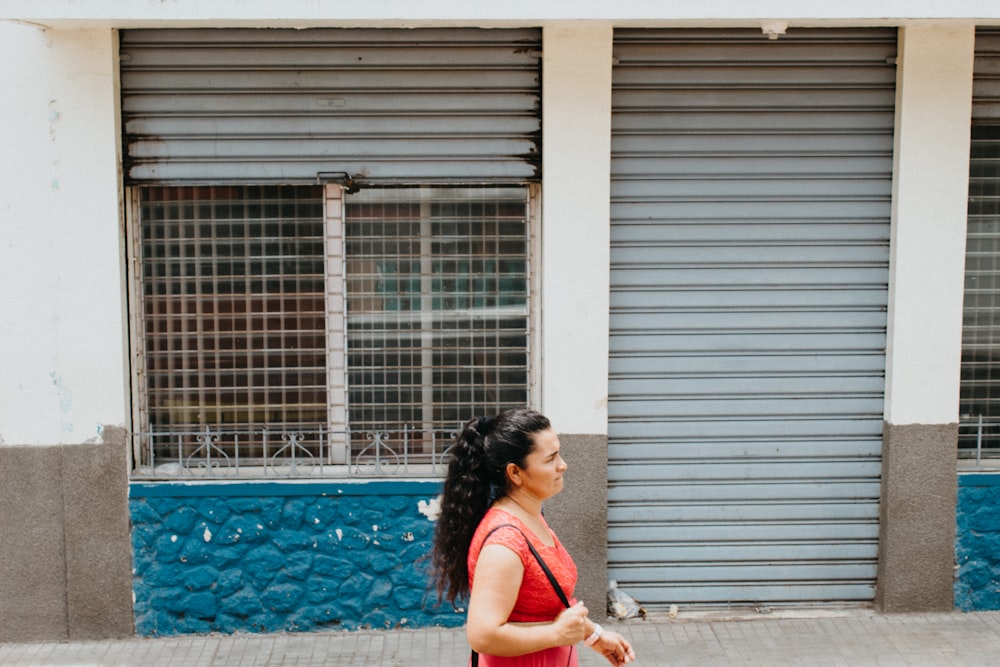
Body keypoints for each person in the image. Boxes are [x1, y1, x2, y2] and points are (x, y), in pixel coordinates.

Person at [431, 408, 636, 666]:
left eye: (559, 453)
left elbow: (550, 606)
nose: (563, 465)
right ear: (515, 473)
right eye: (550, 458)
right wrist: (557, 634)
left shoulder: (530, 517)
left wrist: (595, 634)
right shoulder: (504, 545)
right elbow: (482, 635)